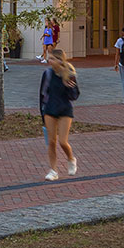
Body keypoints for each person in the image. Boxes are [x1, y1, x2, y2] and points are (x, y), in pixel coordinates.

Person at [37, 47, 79, 180]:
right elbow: (42, 94)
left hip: (65, 109)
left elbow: (75, 96)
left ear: (60, 60)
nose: (50, 61)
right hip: (50, 109)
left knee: (62, 141)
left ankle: (71, 158)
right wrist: (42, 112)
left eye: (52, 59)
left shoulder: (69, 73)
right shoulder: (47, 74)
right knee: (51, 141)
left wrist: (68, 87)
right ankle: (53, 171)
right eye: (49, 58)